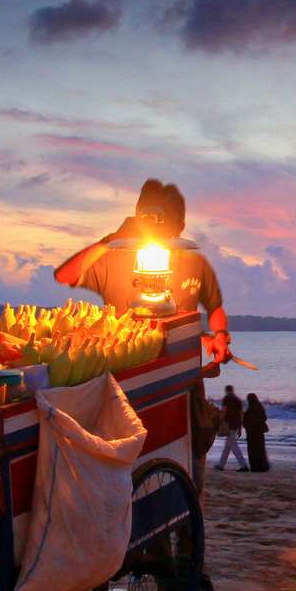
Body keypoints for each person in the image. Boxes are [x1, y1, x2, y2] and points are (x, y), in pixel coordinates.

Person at [54, 179, 233, 489]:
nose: (157, 232)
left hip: (183, 395)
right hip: (125, 395)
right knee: (126, 482)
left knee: (188, 481)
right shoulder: (112, 257)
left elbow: (214, 308)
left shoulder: (194, 262)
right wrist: (110, 240)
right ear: (138, 217)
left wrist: (218, 336)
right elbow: (65, 274)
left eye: (167, 223)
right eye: (150, 219)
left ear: (180, 225)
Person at [216, 385, 249, 471]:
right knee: (227, 446)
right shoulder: (238, 400)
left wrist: (220, 421)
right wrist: (240, 428)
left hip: (229, 424)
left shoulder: (226, 399)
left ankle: (243, 465)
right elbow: (241, 414)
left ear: (227, 391)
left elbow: (224, 411)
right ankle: (221, 465)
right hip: (236, 424)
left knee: (233, 446)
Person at [243, 392, 270, 472]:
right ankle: (262, 466)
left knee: (253, 450)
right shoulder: (260, 407)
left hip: (252, 433)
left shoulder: (250, 409)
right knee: (260, 450)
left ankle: (255, 466)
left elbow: (247, 420)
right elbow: (264, 417)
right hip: (259, 432)